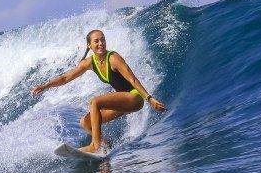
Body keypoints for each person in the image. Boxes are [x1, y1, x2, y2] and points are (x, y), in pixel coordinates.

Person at [31, 30, 166, 154]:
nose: (101, 43)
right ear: (89, 45)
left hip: (134, 98)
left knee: (94, 102)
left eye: (103, 40)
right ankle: (104, 145)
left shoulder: (113, 58)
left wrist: (149, 98)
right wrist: (45, 86)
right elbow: (65, 78)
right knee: (85, 122)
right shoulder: (90, 62)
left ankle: (95, 146)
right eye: (96, 41)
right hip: (122, 105)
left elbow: (133, 79)